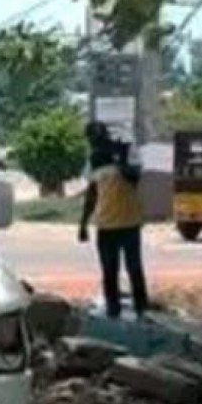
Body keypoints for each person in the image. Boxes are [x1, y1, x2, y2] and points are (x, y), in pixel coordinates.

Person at [78, 122, 150, 318]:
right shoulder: (93, 160)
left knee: (134, 268)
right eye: (91, 140)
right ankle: (113, 310)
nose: (94, 143)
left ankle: (142, 309)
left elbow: (134, 178)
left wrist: (118, 161)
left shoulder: (126, 150)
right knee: (109, 272)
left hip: (129, 222)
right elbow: (91, 195)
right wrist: (83, 224)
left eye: (95, 138)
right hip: (105, 224)